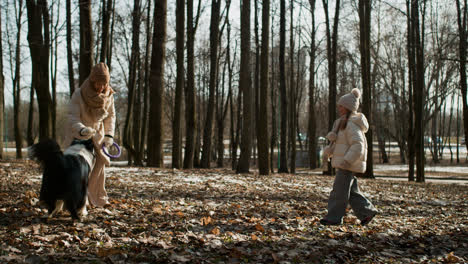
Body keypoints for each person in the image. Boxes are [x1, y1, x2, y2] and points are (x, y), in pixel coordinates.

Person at [320, 88, 378, 226]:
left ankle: (333, 218)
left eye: (341, 106)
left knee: (338, 192)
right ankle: (367, 212)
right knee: (351, 192)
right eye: (339, 105)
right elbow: (342, 144)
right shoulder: (342, 123)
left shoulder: (352, 125)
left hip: (347, 163)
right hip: (345, 162)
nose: (339, 108)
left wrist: (347, 160)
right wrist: (330, 150)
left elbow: (358, 145)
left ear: (348, 107)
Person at [67, 62, 116, 207]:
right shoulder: (79, 94)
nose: (100, 87)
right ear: (92, 80)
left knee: (101, 163)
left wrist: (109, 135)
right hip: (80, 136)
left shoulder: (109, 95)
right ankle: (78, 199)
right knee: (81, 167)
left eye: (104, 84)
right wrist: (82, 129)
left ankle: (97, 198)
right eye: (98, 84)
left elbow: (110, 117)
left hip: (99, 135)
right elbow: (72, 116)